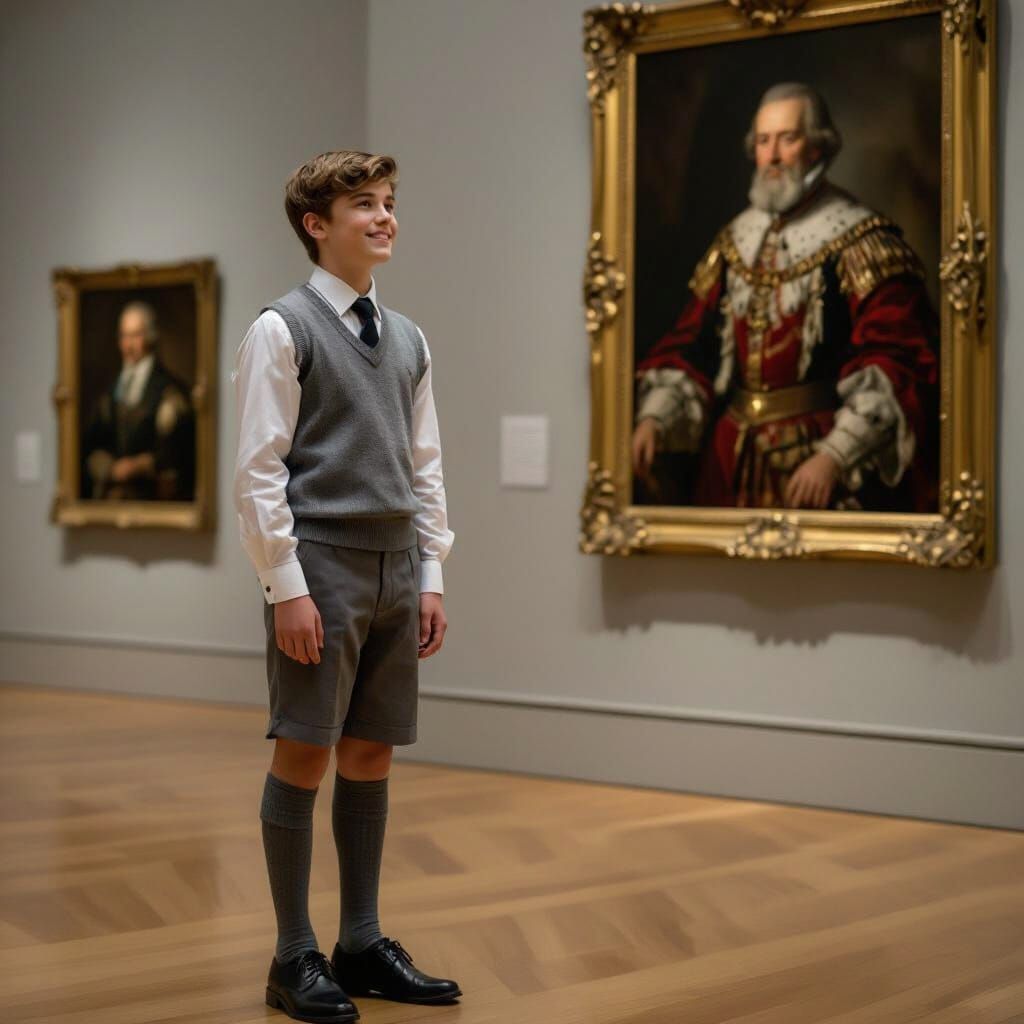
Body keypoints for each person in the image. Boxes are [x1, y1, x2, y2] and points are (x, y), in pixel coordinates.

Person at [233, 150, 459, 1023]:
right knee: (305, 749)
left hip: (398, 563)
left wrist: (431, 570)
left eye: (390, 202)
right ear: (315, 225)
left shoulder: (409, 339)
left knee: (371, 751)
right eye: (363, 204)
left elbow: (425, 463)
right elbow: (260, 472)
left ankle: (360, 941)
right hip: (320, 564)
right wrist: (284, 586)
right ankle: (294, 956)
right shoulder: (280, 329)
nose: (385, 217)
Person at [632, 82, 939, 512]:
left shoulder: (860, 239)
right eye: (763, 141)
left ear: (818, 148)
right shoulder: (735, 240)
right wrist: (656, 417)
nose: (773, 156)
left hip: (816, 462)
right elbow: (693, 346)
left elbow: (897, 358)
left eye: (788, 139)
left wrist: (835, 455)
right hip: (728, 465)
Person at [81, 300, 195, 501]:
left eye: (136, 335)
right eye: (124, 336)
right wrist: (108, 467)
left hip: (152, 498)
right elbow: (94, 441)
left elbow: (181, 451)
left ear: (150, 337)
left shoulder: (169, 389)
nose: (129, 345)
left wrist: (144, 464)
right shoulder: (111, 390)